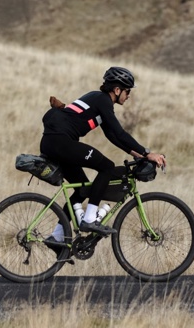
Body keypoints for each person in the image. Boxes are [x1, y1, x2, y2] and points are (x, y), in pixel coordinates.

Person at [39, 66, 166, 249]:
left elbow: (113, 136)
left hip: (53, 143)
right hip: (61, 142)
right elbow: (120, 132)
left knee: (82, 190)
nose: (128, 95)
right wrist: (148, 153)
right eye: (127, 91)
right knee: (106, 166)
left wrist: (138, 154)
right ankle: (90, 219)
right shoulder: (102, 101)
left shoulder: (97, 100)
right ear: (117, 90)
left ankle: (57, 237)